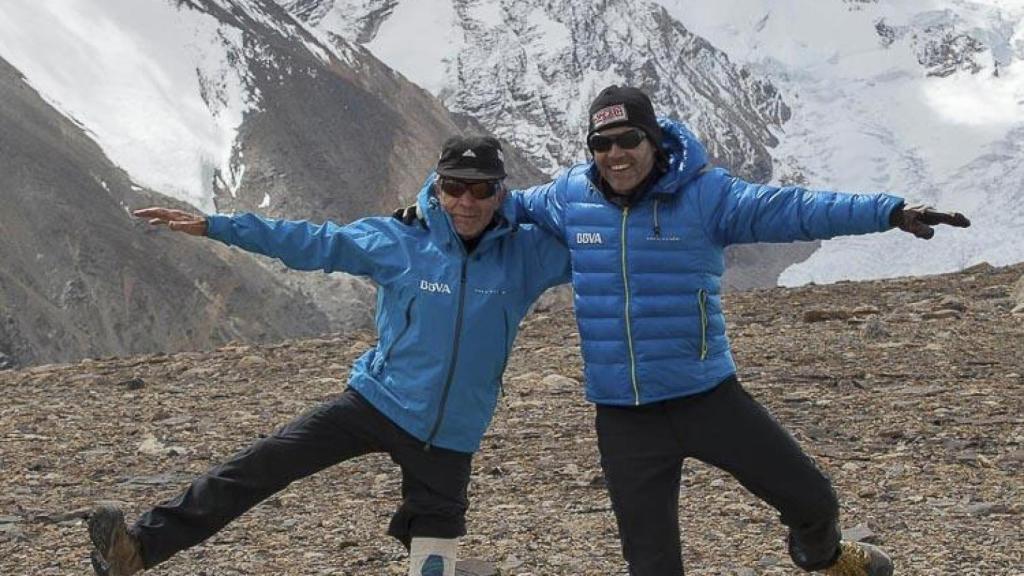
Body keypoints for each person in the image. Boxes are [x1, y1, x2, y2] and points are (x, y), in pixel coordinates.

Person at [504, 86, 970, 576]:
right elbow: (496, 203)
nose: (615, 154)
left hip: (705, 396)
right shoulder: (570, 197)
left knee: (812, 499)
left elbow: (794, 209)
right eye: (602, 144)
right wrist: (424, 207)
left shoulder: (706, 196)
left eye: (628, 139)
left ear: (654, 141)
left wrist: (890, 212)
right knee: (650, 561)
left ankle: (825, 558)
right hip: (624, 414)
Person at [86, 136, 570, 576]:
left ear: (501, 193)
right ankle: (139, 549)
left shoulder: (527, 255)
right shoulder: (400, 240)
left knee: (434, 566)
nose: (466, 201)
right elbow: (314, 243)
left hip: (452, 434)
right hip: (376, 403)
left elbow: (606, 243)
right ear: (438, 187)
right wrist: (219, 227)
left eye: (481, 190)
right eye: (454, 187)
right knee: (261, 465)